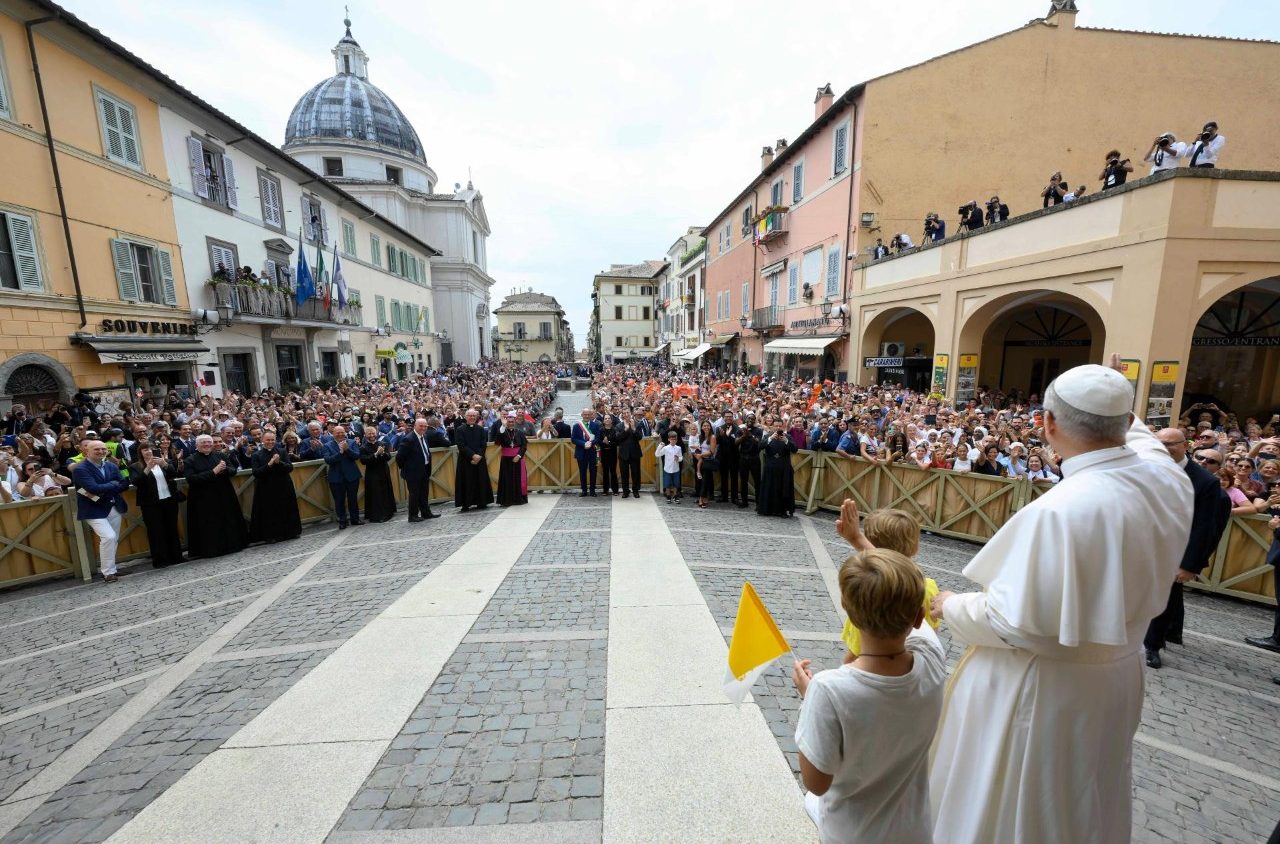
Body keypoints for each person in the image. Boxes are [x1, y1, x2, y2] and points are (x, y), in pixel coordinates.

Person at [928, 358, 1193, 844]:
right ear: (1126, 419)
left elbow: (1013, 623)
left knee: (1021, 801)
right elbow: (1142, 439)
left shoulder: (1060, 510)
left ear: (1048, 423)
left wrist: (949, 606)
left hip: (1047, 686)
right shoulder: (1169, 477)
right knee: (1091, 789)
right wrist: (1111, 390)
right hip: (1117, 675)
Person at [790, 546, 945, 844]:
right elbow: (901, 598)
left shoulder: (827, 689)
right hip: (915, 832)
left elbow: (816, 782)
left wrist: (809, 701)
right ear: (918, 617)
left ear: (848, 610)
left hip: (852, 835)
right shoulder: (933, 659)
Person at [1143, 434, 1231, 668]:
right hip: (1140, 544)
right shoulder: (1145, 468)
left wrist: (1190, 565)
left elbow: (1205, 527)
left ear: (1185, 446)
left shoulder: (1205, 482)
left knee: (1164, 598)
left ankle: (1152, 646)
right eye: (1159, 444)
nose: (1164, 448)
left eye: (1170, 444)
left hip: (1173, 552)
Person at [72, 439, 131, 583]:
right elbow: (92, 488)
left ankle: (111, 569)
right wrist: (113, 484)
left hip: (113, 505)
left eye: (103, 449)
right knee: (109, 537)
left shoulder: (111, 465)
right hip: (93, 508)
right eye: (96, 449)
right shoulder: (80, 469)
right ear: (87, 451)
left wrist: (109, 486)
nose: (101, 451)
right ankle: (108, 572)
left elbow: (124, 483)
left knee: (113, 539)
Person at [183, 434, 249, 559]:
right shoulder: (190, 460)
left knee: (228, 520)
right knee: (209, 524)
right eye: (204, 443)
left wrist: (224, 470)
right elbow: (191, 479)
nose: (207, 444)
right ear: (197, 445)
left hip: (224, 495)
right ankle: (212, 550)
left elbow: (233, 471)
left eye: (209, 442)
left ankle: (232, 545)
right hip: (203, 499)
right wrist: (214, 472)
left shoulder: (221, 455)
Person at [130, 442, 184, 568]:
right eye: (145, 450)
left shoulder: (163, 462)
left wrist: (164, 464)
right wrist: (148, 468)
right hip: (150, 504)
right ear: (140, 453)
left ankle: (176, 557)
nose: (148, 452)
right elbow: (136, 482)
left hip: (169, 500)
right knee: (156, 531)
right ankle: (160, 560)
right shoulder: (135, 466)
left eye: (151, 449)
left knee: (172, 528)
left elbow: (173, 474)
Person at [250, 430, 302, 542]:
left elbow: (290, 468)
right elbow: (256, 473)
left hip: (283, 486)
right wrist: (269, 464)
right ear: (263, 440)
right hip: (266, 488)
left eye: (272, 440)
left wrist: (279, 463)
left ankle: (290, 532)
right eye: (268, 440)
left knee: (287, 509)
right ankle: (272, 536)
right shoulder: (256, 455)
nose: (270, 442)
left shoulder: (282, 451)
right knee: (270, 513)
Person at [395, 417, 440, 521]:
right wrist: (408, 468)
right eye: (421, 426)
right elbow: (399, 457)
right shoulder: (409, 439)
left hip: (424, 470)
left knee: (424, 493)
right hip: (412, 472)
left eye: (425, 426)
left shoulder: (425, 436)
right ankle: (412, 515)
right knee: (414, 494)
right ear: (415, 426)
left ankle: (426, 513)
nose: (423, 428)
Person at [452, 408, 494, 512]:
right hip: (466, 460)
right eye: (470, 416)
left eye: (474, 416)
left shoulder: (480, 429)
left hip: (479, 459)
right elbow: (461, 444)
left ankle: (482, 502)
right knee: (466, 482)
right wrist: (472, 455)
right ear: (466, 417)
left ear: (476, 417)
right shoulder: (460, 429)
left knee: (480, 480)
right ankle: (466, 504)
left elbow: (483, 443)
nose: (472, 417)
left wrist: (479, 455)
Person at [322, 425, 363, 529]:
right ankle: (342, 520)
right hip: (336, 478)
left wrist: (347, 450)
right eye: (337, 433)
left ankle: (355, 518)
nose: (340, 434)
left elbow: (357, 456)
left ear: (345, 432)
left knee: (353, 499)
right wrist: (340, 453)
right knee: (339, 501)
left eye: (342, 432)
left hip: (352, 476)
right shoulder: (327, 445)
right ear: (333, 434)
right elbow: (328, 460)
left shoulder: (352, 442)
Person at [757, 421, 797, 517]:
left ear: (782, 427)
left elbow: (795, 449)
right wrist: (770, 439)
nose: (778, 428)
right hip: (770, 468)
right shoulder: (768, 436)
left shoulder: (788, 437)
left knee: (783, 489)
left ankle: (782, 511)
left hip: (784, 468)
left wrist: (786, 441)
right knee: (769, 489)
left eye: (780, 426)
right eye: (776, 426)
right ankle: (768, 509)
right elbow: (760, 446)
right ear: (772, 427)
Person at [493, 410, 529, 506]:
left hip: (518, 459)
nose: (511, 423)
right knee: (506, 480)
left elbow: (524, 446)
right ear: (506, 422)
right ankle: (507, 500)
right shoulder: (502, 431)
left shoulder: (519, 432)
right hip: (506, 460)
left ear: (515, 422)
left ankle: (518, 499)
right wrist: (503, 426)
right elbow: (497, 443)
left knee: (518, 479)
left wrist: (519, 456)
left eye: (512, 422)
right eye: (509, 422)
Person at [572, 408, 602, 497]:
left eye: (588, 414)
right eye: (585, 414)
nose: (587, 416)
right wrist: (583, 444)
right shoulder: (577, 426)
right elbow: (573, 439)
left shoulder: (595, 425)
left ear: (591, 415)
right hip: (581, 451)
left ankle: (592, 490)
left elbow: (598, 438)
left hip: (592, 452)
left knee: (593, 472)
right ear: (582, 415)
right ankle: (584, 490)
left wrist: (590, 443)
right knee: (582, 472)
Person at [616, 410, 644, 498]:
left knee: (635, 473)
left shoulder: (637, 424)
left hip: (634, 453)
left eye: (628, 413)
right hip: (623, 453)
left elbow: (639, 437)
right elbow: (618, 438)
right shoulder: (618, 425)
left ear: (631, 414)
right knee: (624, 474)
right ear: (622, 415)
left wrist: (633, 428)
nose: (626, 414)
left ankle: (635, 490)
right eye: (624, 413)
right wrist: (626, 429)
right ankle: (625, 491)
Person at [736, 413, 762, 508]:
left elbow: (759, 443)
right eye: (748, 418)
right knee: (743, 481)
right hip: (743, 458)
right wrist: (744, 436)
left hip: (754, 458)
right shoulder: (740, 430)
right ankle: (744, 502)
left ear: (755, 421)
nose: (750, 420)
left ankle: (759, 503)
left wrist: (750, 435)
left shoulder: (758, 431)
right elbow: (736, 442)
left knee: (757, 482)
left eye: (752, 419)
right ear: (745, 419)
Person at [693, 419, 718, 509]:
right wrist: (696, 453)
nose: (706, 427)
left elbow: (711, 451)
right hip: (701, 460)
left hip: (708, 461)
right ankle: (705, 497)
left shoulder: (713, 437)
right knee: (702, 481)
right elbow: (699, 448)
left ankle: (701, 498)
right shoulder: (701, 437)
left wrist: (701, 455)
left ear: (710, 427)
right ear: (702, 427)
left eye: (708, 425)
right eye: (704, 426)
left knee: (705, 481)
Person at [655, 428, 683, 504]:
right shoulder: (666, 448)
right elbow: (657, 454)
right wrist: (660, 446)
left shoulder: (678, 448)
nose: (673, 440)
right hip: (667, 469)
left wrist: (678, 459)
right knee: (667, 484)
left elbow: (681, 457)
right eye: (672, 439)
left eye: (675, 439)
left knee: (676, 484)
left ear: (676, 440)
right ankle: (668, 496)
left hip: (676, 469)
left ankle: (675, 496)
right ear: (669, 439)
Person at [598, 412, 619, 496]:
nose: (607, 420)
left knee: (613, 471)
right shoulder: (601, 430)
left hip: (612, 452)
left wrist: (608, 442)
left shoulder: (615, 429)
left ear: (611, 420)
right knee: (605, 471)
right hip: (604, 452)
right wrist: (603, 442)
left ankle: (615, 490)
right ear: (603, 421)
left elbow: (617, 441)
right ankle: (605, 490)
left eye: (608, 418)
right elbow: (598, 441)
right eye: (605, 418)